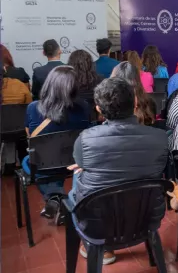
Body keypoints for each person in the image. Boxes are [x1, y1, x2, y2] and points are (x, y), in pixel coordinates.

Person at [68, 77, 168, 265]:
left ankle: (101, 249)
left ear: (99, 109)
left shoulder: (85, 139)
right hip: (147, 217)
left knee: (77, 181)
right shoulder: (160, 137)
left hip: (98, 226)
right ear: (136, 102)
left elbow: (81, 163)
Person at [24, 66, 90, 221]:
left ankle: (55, 197)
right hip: (76, 163)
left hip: (44, 167)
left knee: (28, 161)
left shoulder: (33, 108)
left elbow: (30, 137)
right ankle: (59, 200)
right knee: (59, 155)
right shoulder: (84, 107)